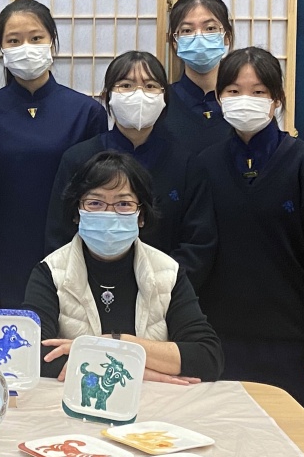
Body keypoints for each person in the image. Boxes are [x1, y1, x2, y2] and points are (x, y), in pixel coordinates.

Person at [197, 47, 304, 437]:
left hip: (294, 347)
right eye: (233, 91)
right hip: (222, 342)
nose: (244, 100)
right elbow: (193, 252)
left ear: (277, 100)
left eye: (258, 91)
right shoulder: (205, 165)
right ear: (219, 99)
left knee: (300, 451)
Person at [23, 151, 224, 383]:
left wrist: (117, 342)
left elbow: (208, 357)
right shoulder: (50, 272)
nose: (109, 213)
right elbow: (32, 353)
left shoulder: (168, 272)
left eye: (123, 204)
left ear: (141, 215)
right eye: (95, 203)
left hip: (153, 402)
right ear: (77, 213)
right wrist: (142, 373)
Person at [44, 51, 216, 290]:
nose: (139, 94)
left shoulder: (186, 164)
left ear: (164, 98)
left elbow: (198, 244)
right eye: (126, 85)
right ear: (108, 96)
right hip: (86, 291)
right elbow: (59, 235)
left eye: (150, 86)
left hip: (165, 293)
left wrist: (164, 288)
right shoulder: (78, 159)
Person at [0, 0, 108, 307]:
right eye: (14, 40)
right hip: (1, 251)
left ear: (52, 42)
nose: (26, 47)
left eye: (36, 38)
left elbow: (98, 191)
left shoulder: (86, 112)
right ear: (1, 49)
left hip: (69, 250)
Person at [155, 0, 235, 154]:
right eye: (187, 30)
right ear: (175, 42)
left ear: (227, 36)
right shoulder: (160, 103)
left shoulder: (243, 101)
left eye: (210, 28)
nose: (199, 37)